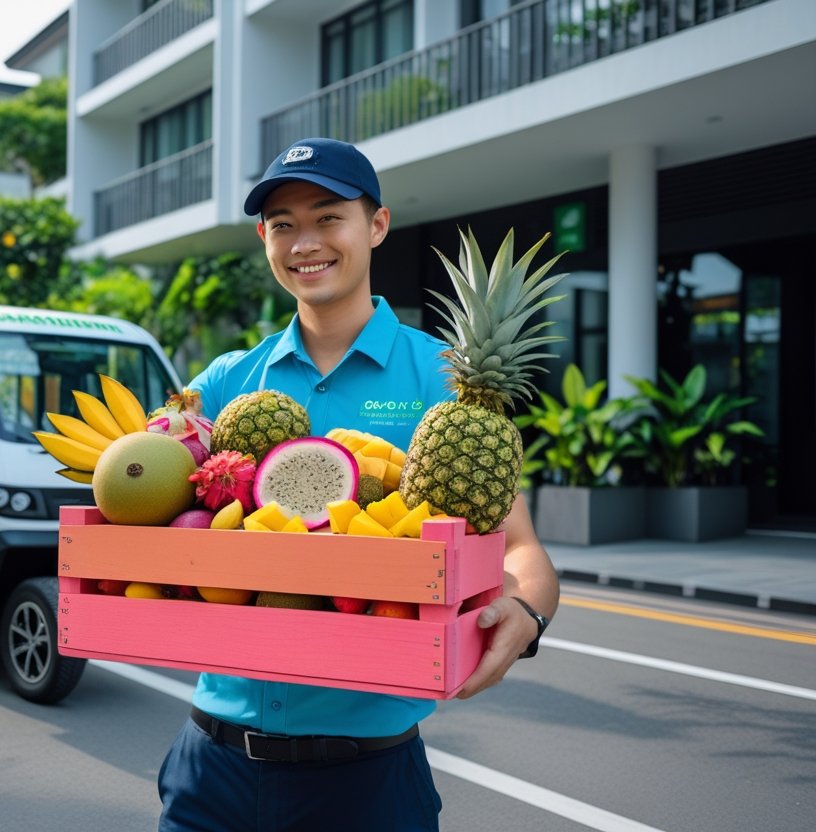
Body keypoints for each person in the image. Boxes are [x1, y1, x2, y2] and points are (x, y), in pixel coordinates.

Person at [156, 137, 560, 831]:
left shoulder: (448, 381)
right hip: (211, 767)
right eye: (282, 225)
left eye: (327, 217)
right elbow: (160, 518)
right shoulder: (224, 381)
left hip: (367, 777)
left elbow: (521, 550)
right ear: (264, 240)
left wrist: (526, 616)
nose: (304, 242)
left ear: (376, 226)